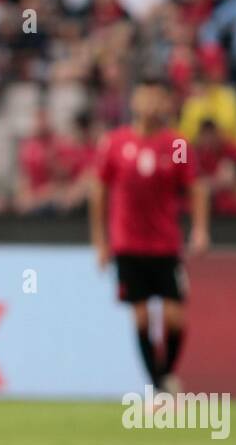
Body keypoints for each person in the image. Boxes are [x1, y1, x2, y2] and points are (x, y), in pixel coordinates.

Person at [90, 76, 210, 391]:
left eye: (158, 98)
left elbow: (196, 187)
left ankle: (165, 375)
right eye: (145, 97)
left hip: (166, 244)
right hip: (128, 244)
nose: (151, 105)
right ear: (134, 102)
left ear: (167, 103)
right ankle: (159, 386)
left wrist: (199, 229)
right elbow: (99, 191)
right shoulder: (115, 144)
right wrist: (101, 242)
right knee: (141, 317)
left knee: (174, 318)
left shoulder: (178, 145)